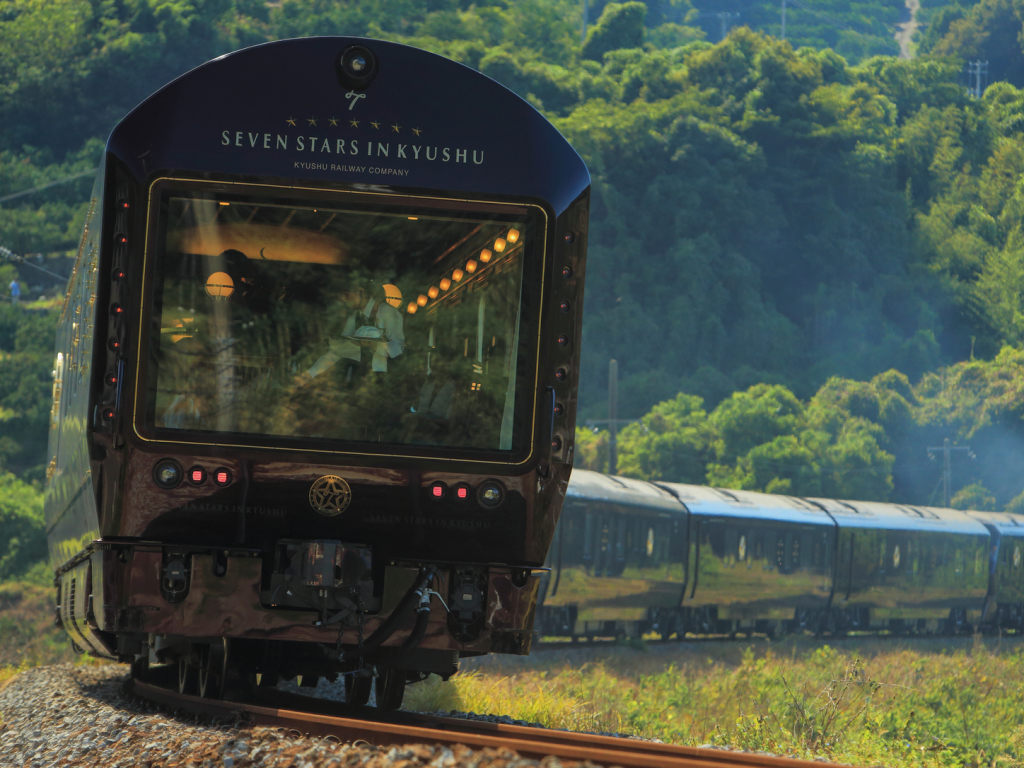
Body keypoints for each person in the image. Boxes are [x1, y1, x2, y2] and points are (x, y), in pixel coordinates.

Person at [301, 281, 405, 383]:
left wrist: (376, 345)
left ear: (361, 292)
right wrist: (309, 374)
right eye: (342, 296)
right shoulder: (354, 318)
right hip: (367, 380)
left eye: (346, 294)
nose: (344, 299)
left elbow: (399, 348)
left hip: (392, 380)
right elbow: (339, 350)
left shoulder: (387, 312)